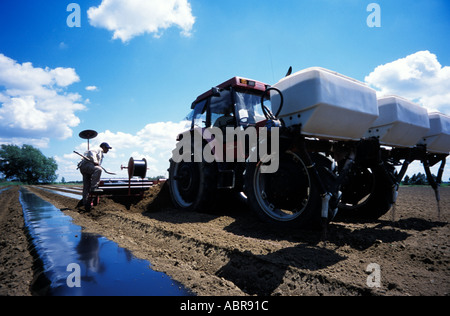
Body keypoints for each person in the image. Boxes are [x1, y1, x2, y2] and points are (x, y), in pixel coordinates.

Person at [78, 142, 112, 210]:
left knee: (86, 186)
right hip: (87, 165)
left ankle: (85, 203)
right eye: (107, 148)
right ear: (103, 147)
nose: (108, 150)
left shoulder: (101, 154)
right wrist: (95, 161)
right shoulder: (98, 149)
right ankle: (94, 188)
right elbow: (91, 152)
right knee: (98, 169)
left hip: (84, 167)